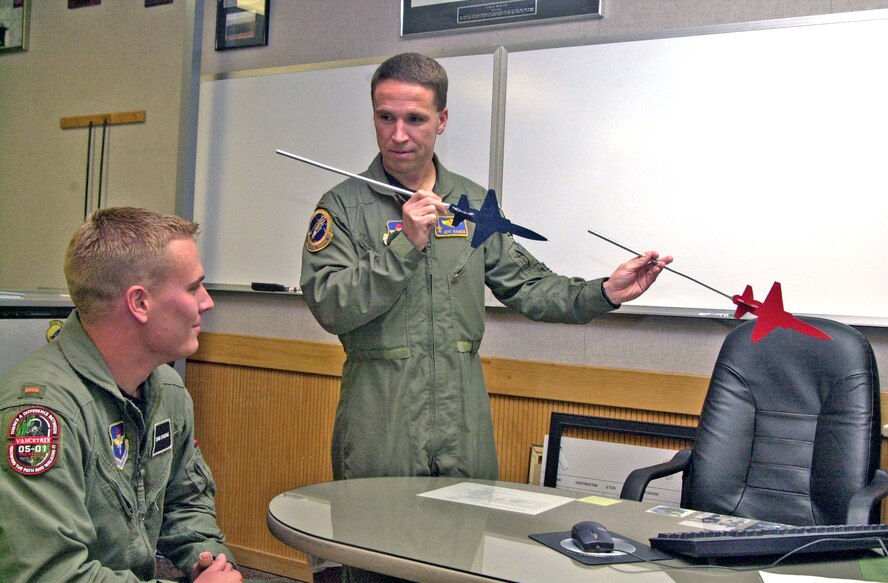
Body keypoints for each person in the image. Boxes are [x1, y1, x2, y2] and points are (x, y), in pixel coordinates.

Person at [301, 52, 672, 482]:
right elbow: (330, 306)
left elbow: (528, 286)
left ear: (442, 120)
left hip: (463, 421)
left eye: (415, 119)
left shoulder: (472, 204)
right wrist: (404, 245)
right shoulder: (343, 207)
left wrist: (604, 291)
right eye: (386, 117)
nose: (398, 135)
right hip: (381, 421)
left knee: (462, 539)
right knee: (374, 538)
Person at [0, 207, 243, 583]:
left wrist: (206, 559)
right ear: (140, 303)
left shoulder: (167, 390)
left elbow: (185, 499)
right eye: (194, 287)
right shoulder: (41, 414)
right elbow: (47, 573)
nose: (207, 301)